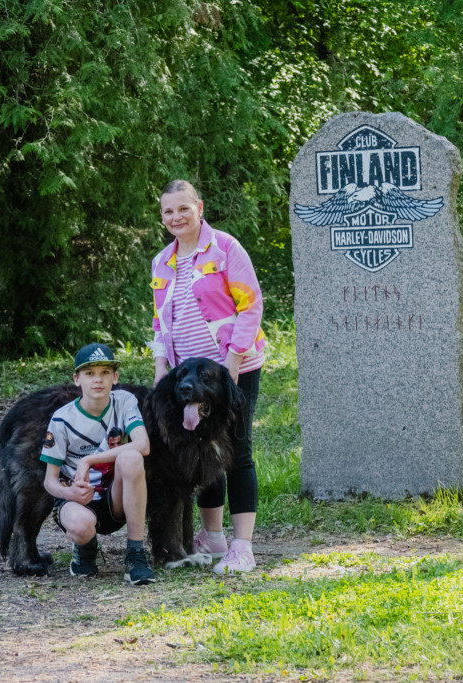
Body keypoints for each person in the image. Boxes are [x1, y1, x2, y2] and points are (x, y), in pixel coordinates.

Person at [148, 179, 266, 574]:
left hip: (231, 369)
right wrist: (162, 367)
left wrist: (232, 363)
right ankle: (213, 537)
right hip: (187, 377)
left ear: (199, 207)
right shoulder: (161, 261)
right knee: (200, 447)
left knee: (237, 450)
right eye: (168, 211)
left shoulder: (226, 248)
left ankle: (242, 546)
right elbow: (161, 322)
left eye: (183, 208)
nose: (176, 217)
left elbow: (251, 305)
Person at [39, 343, 156, 585]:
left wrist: (88, 460)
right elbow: (49, 481)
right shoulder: (61, 419)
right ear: (76, 379)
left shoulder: (124, 401)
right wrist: (67, 491)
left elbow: (143, 445)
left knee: (132, 457)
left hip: (115, 498)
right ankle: (86, 548)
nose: (98, 380)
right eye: (90, 373)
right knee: (81, 525)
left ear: (115, 377)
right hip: (78, 499)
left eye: (105, 372)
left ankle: (135, 554)